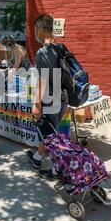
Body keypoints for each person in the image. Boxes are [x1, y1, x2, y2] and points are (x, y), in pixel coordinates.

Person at [27, 14, 68, 180]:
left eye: (36, 29)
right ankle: (37, 158)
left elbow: (41, 80)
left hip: (50, 99)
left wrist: (37, 104)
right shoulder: (61, 47)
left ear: (42, 30)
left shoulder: (42, 52)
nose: (35, 33)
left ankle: (56, 169)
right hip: (62, 97)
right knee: (51, 133)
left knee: (51, 137)